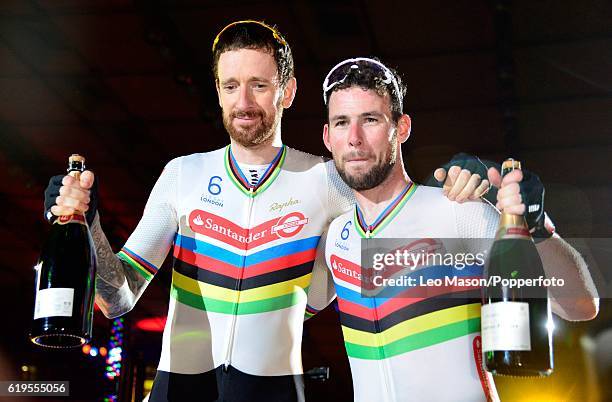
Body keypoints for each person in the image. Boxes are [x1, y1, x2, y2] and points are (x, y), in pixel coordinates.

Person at [44, 22, 491, 402]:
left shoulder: (329, 179)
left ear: (288, 91)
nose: (244, 102)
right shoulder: (183, 175)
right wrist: (91, 226)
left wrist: (456, 182)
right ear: (217, 91)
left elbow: (399, 215)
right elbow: (117, 300)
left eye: (259, 85)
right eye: (231, 85)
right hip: (177, 388)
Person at [320, 57, 599, 402]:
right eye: (342, 122)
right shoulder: (336, 238)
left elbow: (581, 306)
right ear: (328, 136)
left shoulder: (458, 212)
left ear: (402, 127)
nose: (355, 139)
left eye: (371, 120)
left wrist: (538, 226)